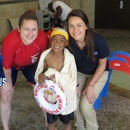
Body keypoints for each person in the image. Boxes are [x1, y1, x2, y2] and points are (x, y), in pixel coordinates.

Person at [0, 9, 49, 130]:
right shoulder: (10, 41)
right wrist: (9, 84)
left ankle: (49, 125)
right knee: (5, 96)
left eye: (34, 29)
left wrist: (42, 76)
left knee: (43, 91)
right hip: (10, 66)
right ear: (19, 29)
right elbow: (6, 65)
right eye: (26, 29)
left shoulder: (43, 38)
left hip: (31, 64)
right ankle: (5, 128)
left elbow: (43, 60)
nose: (30, 33)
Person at [66, 9, 110, 130]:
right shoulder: (68, 43)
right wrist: (74, 84)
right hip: (79, 72)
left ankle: (92, 128)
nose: (75, 30)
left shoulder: (99, 41)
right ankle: (80, 127)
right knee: (73, 101)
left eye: (79, 25)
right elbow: (71, 64)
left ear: (86, 26)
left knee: (85, 107)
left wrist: (90, 85)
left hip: (99, 72)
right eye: (71, 26)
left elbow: (102, 65)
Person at [35, 27, 78, 130]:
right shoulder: (45, 55)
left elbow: (72, 78)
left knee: (67, 123)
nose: (57, 42)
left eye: (61, 40)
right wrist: (41, 75)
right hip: (50, 95)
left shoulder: (69, 58)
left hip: (65, 96)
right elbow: (40, 71)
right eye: (54, 39)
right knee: (51, 122)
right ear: (50, 40)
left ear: (66, 43)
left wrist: (57, 76)